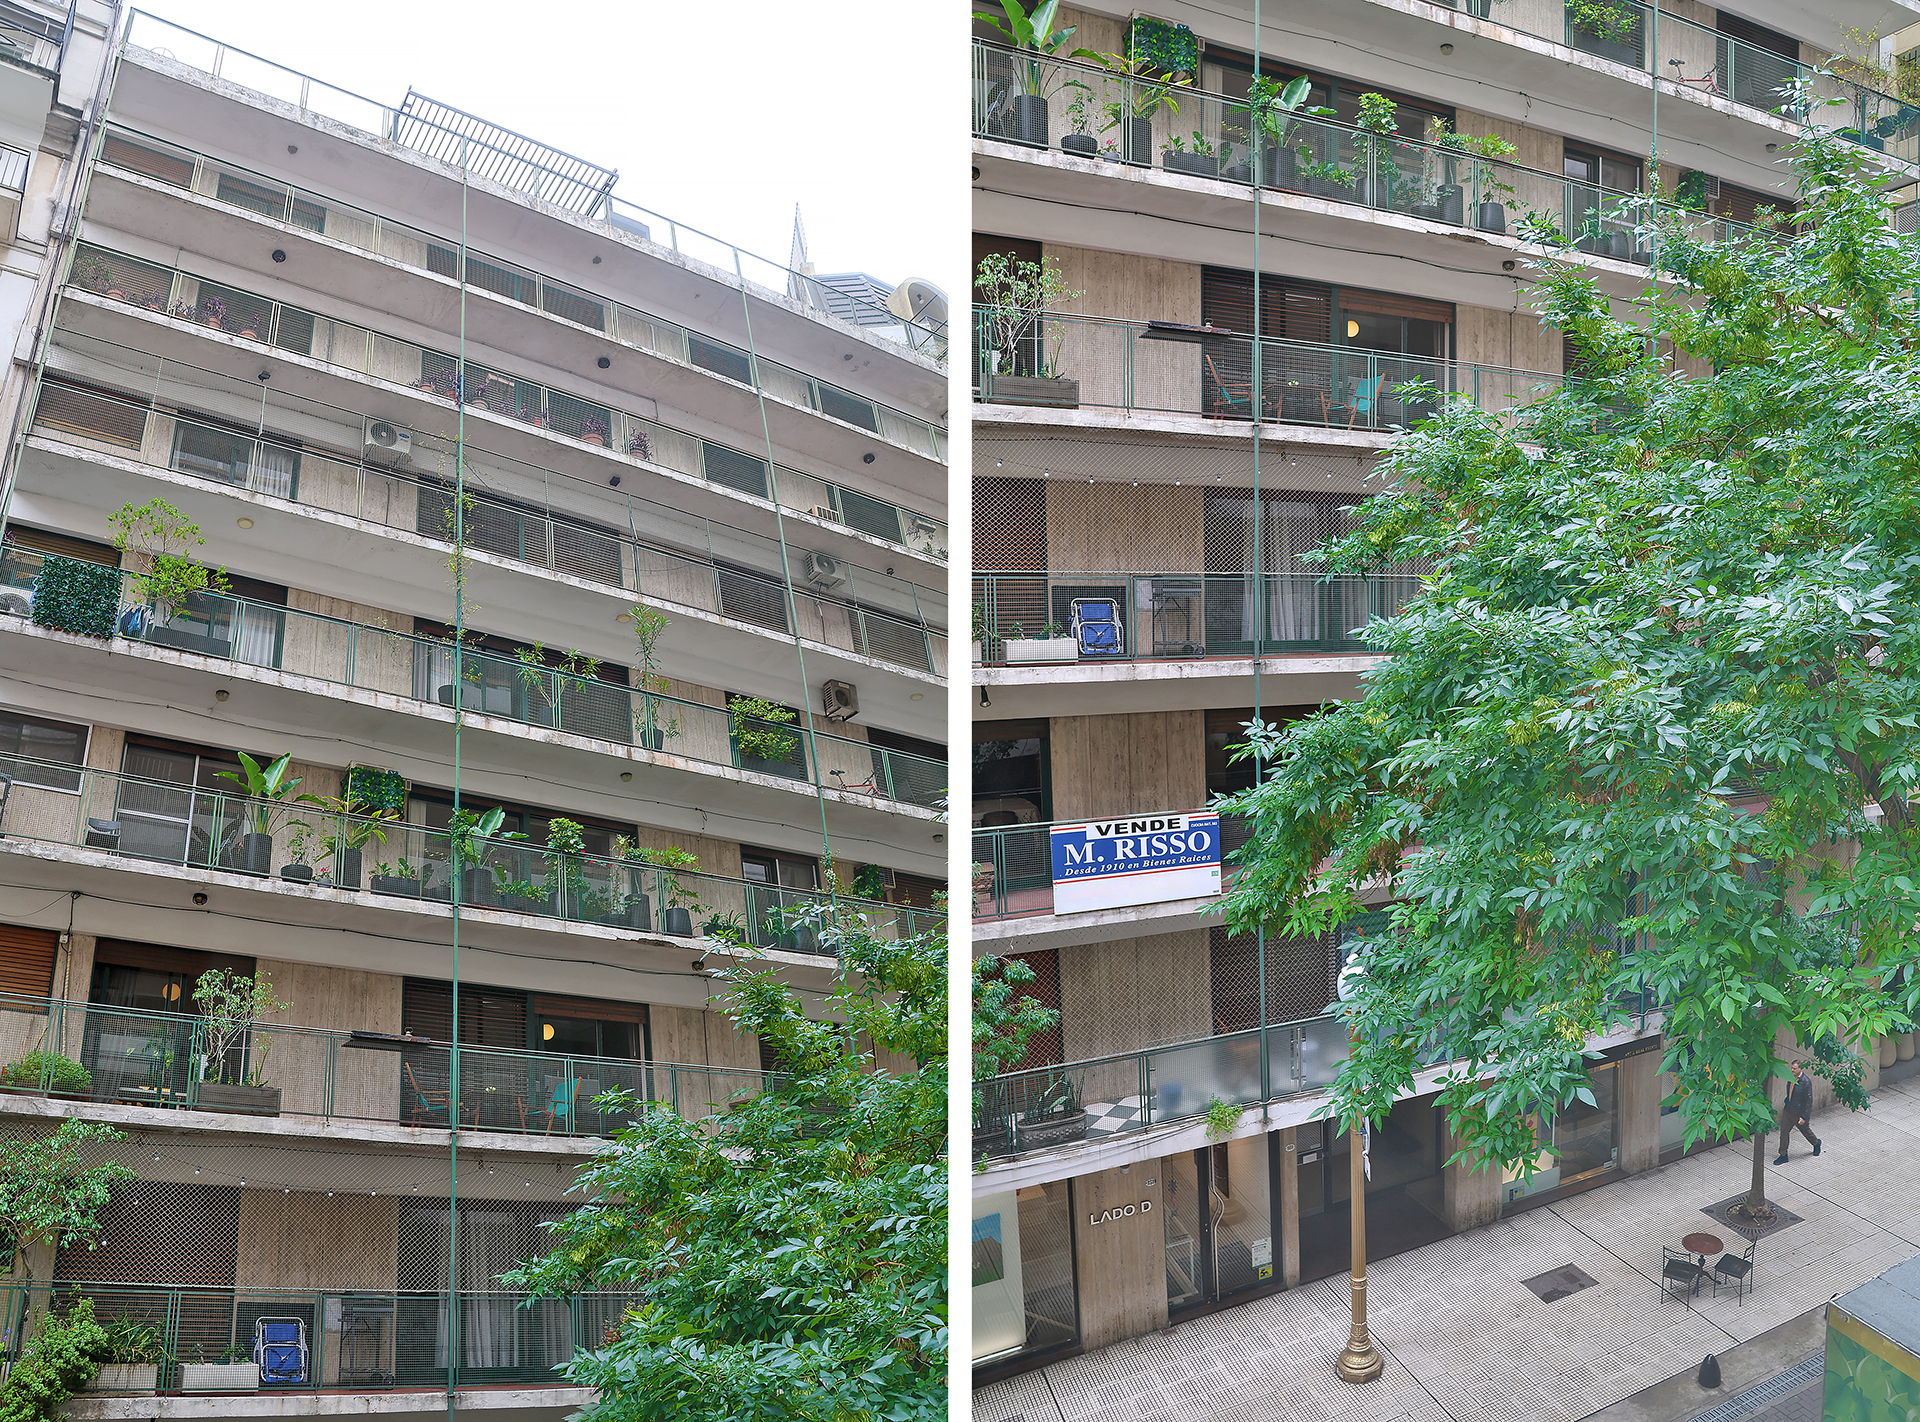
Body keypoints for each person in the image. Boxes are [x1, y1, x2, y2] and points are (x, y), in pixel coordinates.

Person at [1774, 1061, 1821, 1165]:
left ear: (1800, 1069)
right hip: (1788, 1110)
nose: (1792, 1070)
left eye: (1794, 1068)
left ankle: (1816, 1143)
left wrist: (1804, 1116)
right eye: (1791, 1068)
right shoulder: (1790, 1078)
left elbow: (1809, 1101)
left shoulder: (1805, 1082)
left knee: (1806, 1131)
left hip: (1799, 1113)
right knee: (1784, 1133)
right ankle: (1783, 1155)